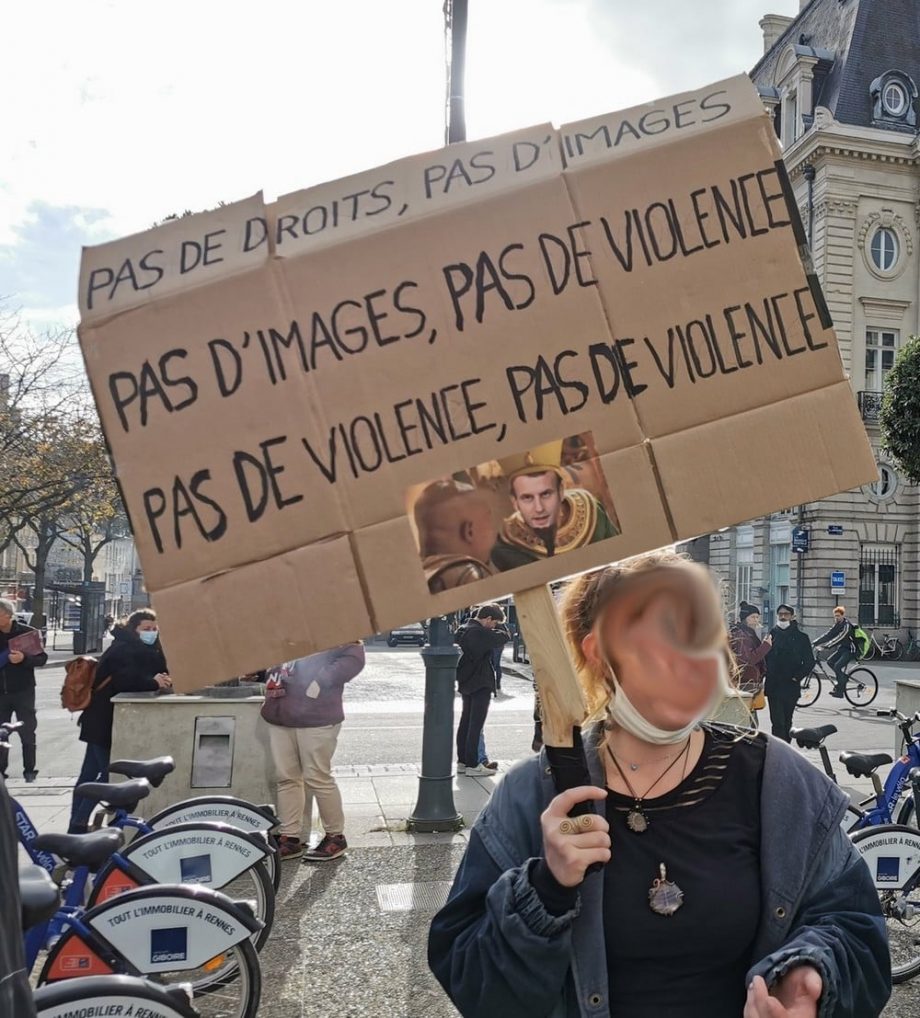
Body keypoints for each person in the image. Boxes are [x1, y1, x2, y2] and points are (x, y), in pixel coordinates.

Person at [428, 551, 890, 1018]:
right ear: (600, 653)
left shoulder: (780, 782)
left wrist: (812, 974)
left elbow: (855, 927)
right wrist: (544, 889)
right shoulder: (535, 793)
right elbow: (472, 980)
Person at [68, 610, 171, 833]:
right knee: (106, 775)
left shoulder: (139, 647)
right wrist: (154, 682)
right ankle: (78, 823)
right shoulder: (124, 649)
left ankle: (75, 825)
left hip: (100, 721)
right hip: (104, 721)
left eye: (154, 629)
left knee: (90, 775)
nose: (151, 633)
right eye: (146, 629)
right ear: (133, 629)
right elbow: (126, 680)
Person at [261, 643, 365, 861]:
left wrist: (320, 681)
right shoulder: (285, 624)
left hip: (316, 715)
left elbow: (354, 657)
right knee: (287, 778)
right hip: (281, 711)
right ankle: (290, 836)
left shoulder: (332, 623)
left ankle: (335, 836)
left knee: (317, 777)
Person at [492, 468, 617, 571]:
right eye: (527, 498)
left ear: (561, 491)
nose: (539, 508)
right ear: (515, 503)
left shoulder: (591, 508)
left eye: (546, 494)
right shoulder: (505, 546)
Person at [455, 605, 510, 777]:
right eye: (493, 623)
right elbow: (504, 637)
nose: (494, 626)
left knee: (465, 721)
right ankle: (473, 764)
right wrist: (501, 625)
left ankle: (463, 761)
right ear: (487, 619)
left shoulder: (464, 629)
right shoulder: (480, 632)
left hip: (466, 681)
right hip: (480, 682)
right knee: (475, 724)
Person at [414, 480, 497, 593]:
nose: (493, 527)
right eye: (488, 518)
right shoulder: (471, 576)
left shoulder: (416, 579)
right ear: (469, 532)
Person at [0, 597, 48, 782]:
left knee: (27, 732)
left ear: (8, 615)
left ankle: (29, 770)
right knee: (1, 734)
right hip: (0, 693)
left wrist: (24, 659)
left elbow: (42, 659)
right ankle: (1, 772)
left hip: (23, 691)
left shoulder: (27, 633)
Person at [765, 604, 815, 742]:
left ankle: (786, 749)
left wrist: (797, 677)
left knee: (787, 721)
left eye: (786, 614)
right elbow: (763, 658)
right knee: (777, 722)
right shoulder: (771, 635)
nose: (782, 617)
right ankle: (777, 751)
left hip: (791, 686)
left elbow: (810, 661)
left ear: (792, 617)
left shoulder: (801, 637)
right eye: (780, 614)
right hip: (774, 686)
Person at [729, 601, 772, 702]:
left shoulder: (747, 633)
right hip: (745, 682)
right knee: (747, 713)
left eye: (757, 617)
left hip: (747, 680)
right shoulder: (742, 635)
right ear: (745, 619)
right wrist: (766, 646)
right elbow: (748, 660)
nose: (756, 620)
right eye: (752, 617)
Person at [813, 606, 856, 698]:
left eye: (838, 616)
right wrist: (815, 642)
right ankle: (842, 679)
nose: (836, 618)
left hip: (850, 650)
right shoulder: (837, 625)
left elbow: (839, 638)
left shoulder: (847, 625)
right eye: (835, 616)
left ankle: (840, 691)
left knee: (837, 666)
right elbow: (828, 635)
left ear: (843, 615)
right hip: (842, 649)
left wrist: (826, 646)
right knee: (830, 662)